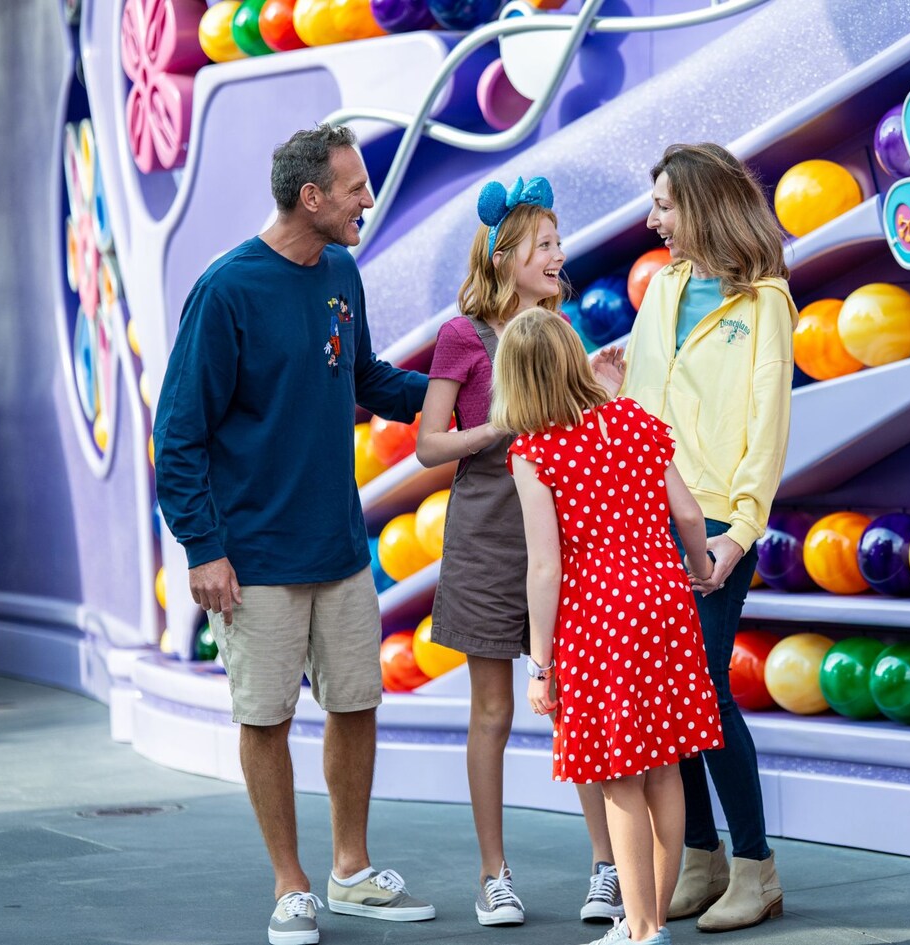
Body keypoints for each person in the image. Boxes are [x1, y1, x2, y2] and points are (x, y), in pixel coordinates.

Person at [153, 123, 436, 945]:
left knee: (356, 703)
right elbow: (179, 434)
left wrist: (464, 386)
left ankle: (350, 870)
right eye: (354, 188)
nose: (367, 200)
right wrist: (203, 547)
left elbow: (366, 376)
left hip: (339, 548)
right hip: (254, 558)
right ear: (311, 197)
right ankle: (291, 885)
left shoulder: (341, 272)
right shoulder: (226, 291)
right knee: (266, 718)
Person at [413, 177, 625, 928]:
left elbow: (585, 433)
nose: (559, 255)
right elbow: (427, 444)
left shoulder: (561, 331)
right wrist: (500, 427)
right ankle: (493, 875)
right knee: (494, 711)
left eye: (559, 243)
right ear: (504, 258)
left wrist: (602, 389)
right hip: (485, 535)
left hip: (563, 538)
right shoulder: (462, 337)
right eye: (545, 244)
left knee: (573, 704)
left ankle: (609, 867)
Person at [594, 142, 793, 933]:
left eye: (665, 206)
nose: (653, 222)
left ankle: (756, 868)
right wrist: (610, 393)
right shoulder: (663, 289)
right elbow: (643, 407)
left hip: (714, 522)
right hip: (645, 517)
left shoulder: (765, 301)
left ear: (703, 205)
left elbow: (767, 428)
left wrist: (738, 534)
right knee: (665, 694)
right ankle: (702, 860)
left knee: (704, 690)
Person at [496, 308, 722, 945]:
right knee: (666, 766)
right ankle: (650, 922)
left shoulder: (534, 452)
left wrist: (541, 666)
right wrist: (701, 568)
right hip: (666, 602)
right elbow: (689, 515)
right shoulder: (634, 419)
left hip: (599, 616)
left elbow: (546, 567)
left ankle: (643, 929)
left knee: (620, 776)